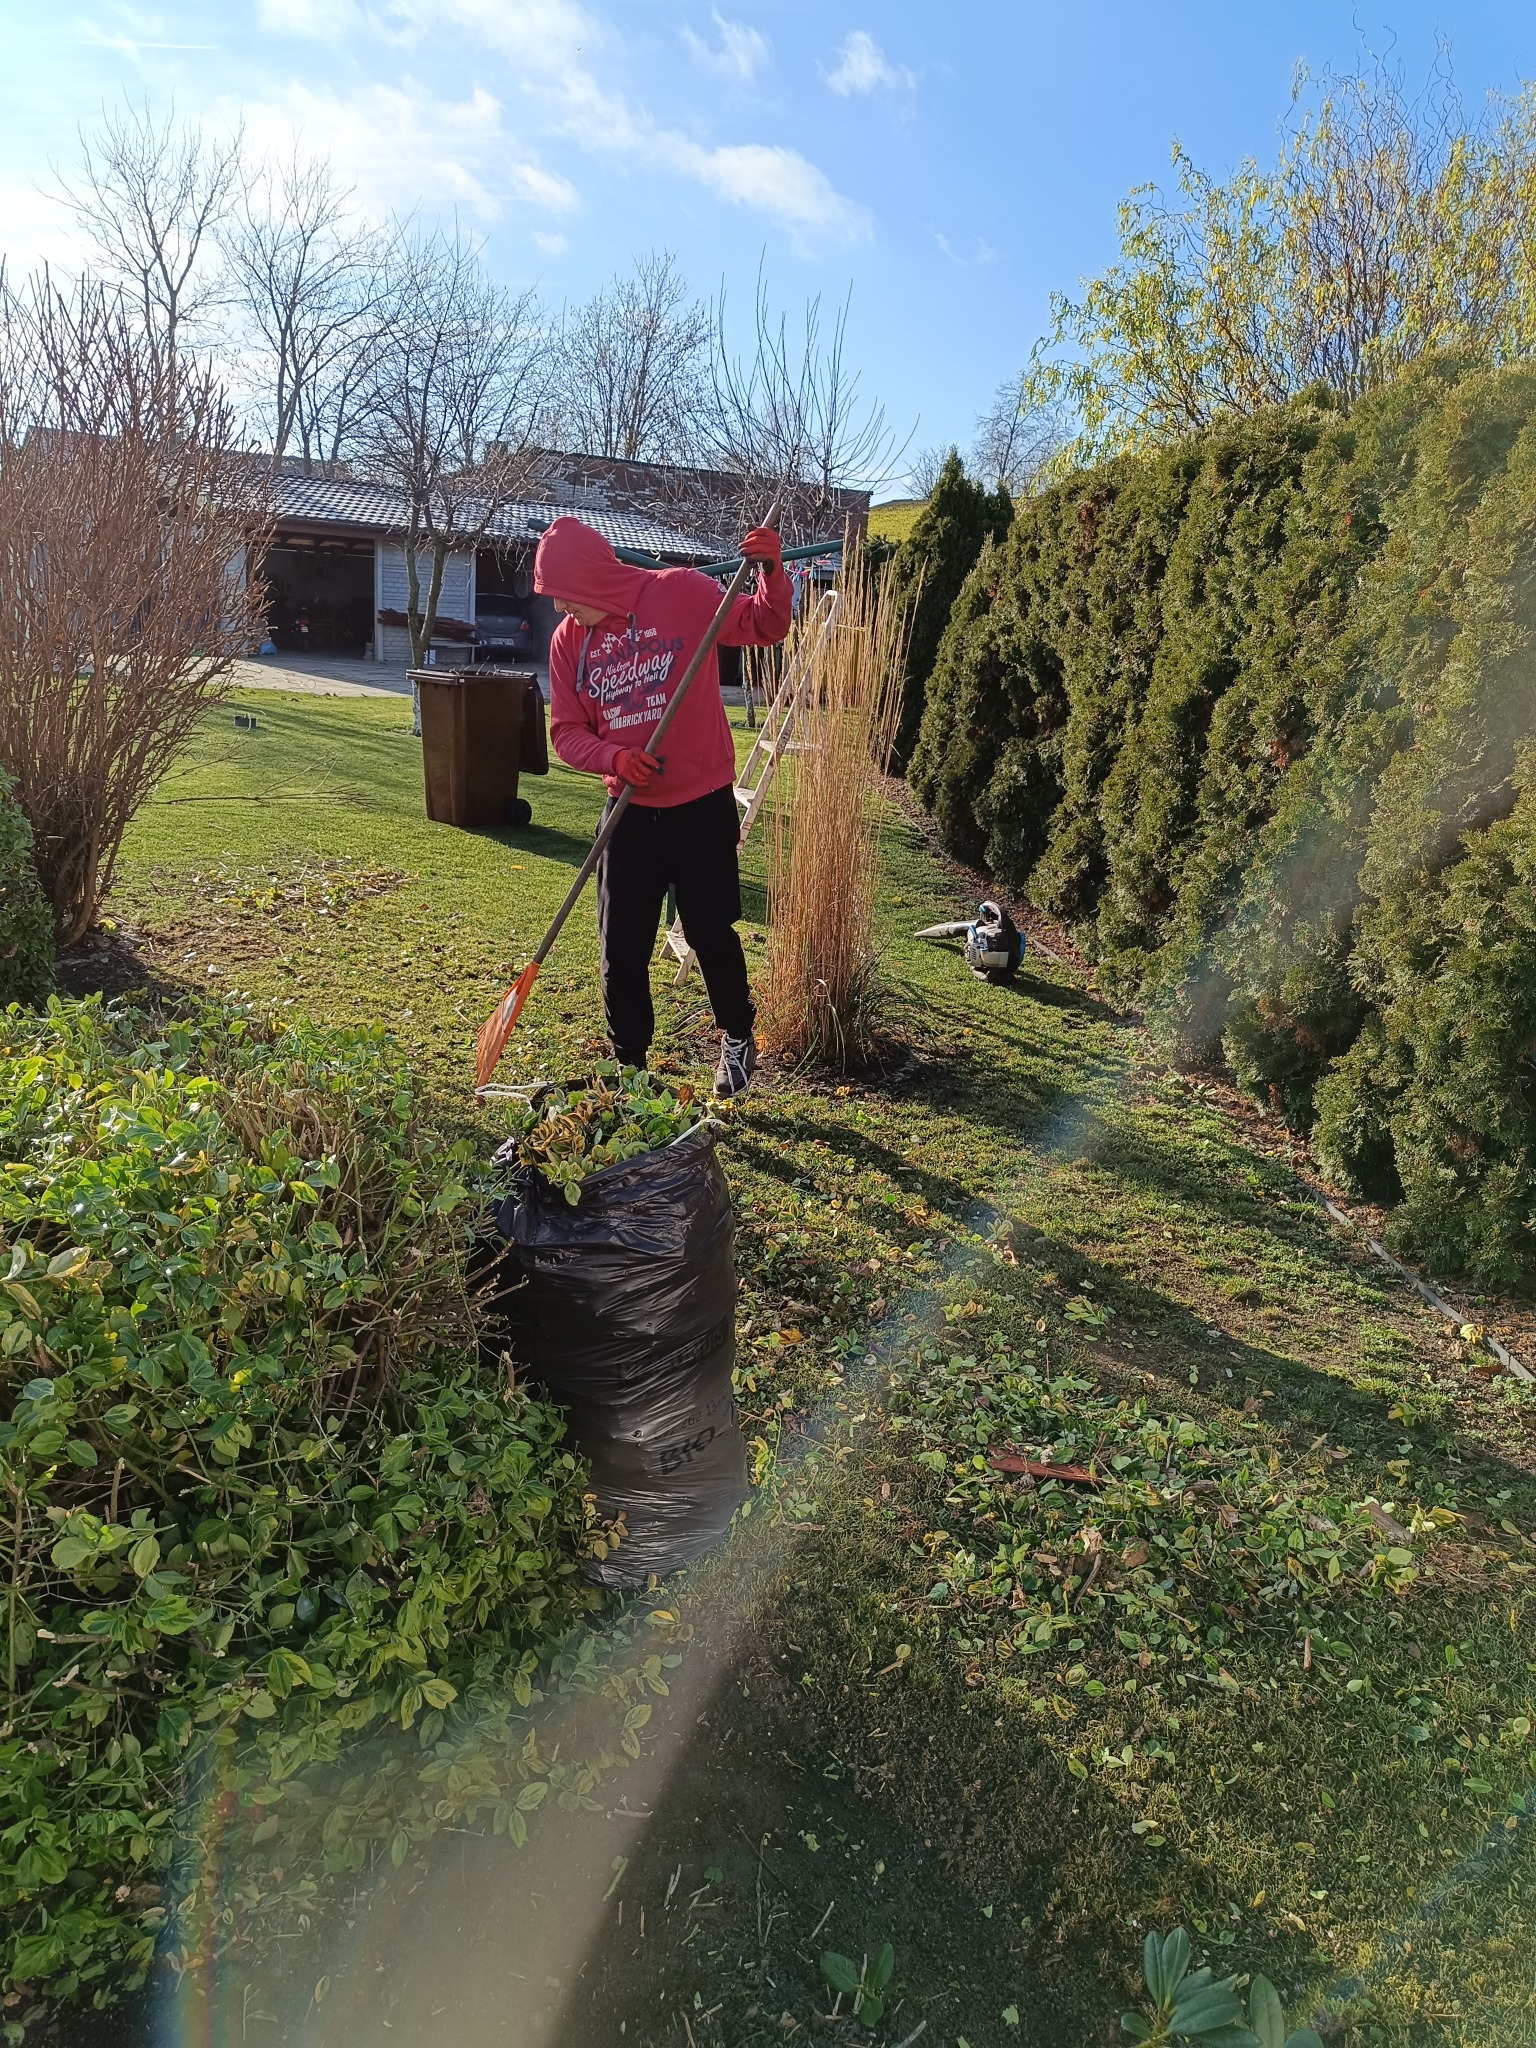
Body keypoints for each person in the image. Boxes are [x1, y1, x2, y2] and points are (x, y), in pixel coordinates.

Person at [536, 514, 791, 1097]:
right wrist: (612, 759)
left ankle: (736, 1038)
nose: (561, 610)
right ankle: (629, 1066)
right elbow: (565, 731)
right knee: (621, 945)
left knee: (709, 930)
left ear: (593, 578)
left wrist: (772, 572)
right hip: (627, 812)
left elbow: (768, 623)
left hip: (701, 805)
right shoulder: (569, 643)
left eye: (565, 595)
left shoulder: (681, 592)